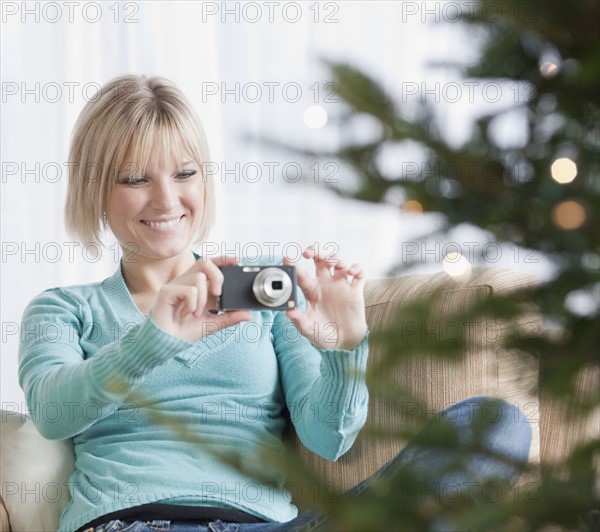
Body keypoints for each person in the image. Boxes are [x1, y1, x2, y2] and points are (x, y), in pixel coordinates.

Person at [18, 75, 532, 532]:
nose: (167, 199)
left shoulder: (263, 290)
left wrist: (344, 346)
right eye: (135, 179)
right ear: (94, 189)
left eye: (184, 173)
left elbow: (328, 439)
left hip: (268, 525)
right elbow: (52, 412)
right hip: (133, 524)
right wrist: (154, 339)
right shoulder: (64, 308)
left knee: (495, 427)